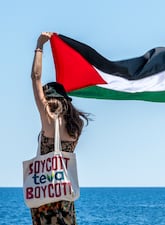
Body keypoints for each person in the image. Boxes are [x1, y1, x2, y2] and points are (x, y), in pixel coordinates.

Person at [30, 32, 90, 225]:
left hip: (45, 195)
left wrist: (40, 46)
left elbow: (35, 77)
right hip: (64, 195)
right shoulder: (76, 127)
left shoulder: (47, 119)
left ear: (48, 100)